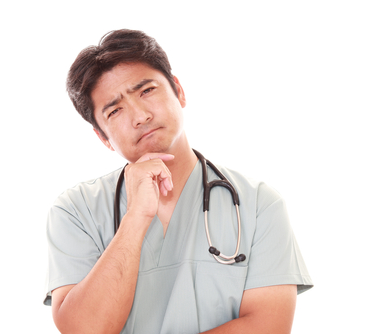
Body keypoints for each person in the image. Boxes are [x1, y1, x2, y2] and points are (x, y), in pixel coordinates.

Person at [43, 29, 313, 333]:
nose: (140, 115)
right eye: (115, 110)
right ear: (103, 137)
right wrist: (136, 219)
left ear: (178, 90)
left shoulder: (260, 204)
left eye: (146, 91)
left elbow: (268, 326)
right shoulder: (75, 212)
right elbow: (84, 329)